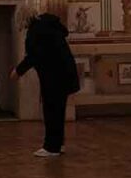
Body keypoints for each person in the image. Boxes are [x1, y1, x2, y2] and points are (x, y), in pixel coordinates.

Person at [10, 12, 80, 157]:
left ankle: (51, 148)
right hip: (65, 73)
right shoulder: (49, 26)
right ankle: (58, 144)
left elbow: (33, 56)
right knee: (58, 110)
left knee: (51, 111)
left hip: (54, 76)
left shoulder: (36, 31)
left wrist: (18, 71)